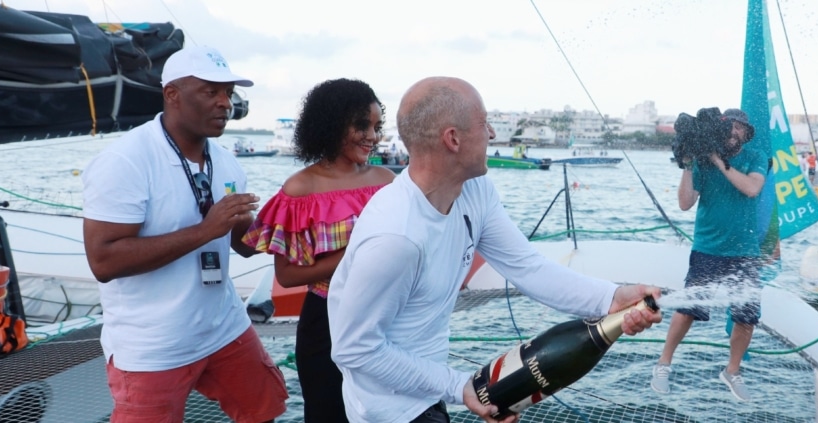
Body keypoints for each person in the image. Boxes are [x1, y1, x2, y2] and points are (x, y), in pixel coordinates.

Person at [325, 77, 662, 423]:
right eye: (484, 124)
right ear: (453, 139)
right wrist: (458, 386)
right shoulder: (396, 237)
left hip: (429, 389)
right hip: (388, 411)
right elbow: (355, 348)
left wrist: (612, 298)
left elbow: (528, 266)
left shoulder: (475, 191)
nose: (492, 135)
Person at [80, 46, 287, 422]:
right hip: (153, 345)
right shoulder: (126, 161)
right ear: (172, 94)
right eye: (211, 92)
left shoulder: (225, 161)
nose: (226, 103)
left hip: (224, 326)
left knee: (264, 411)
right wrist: (207, 230)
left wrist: (288, 226)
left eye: (229, 93)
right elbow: (103, 260)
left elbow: (241, 242)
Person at [241, 78, 395, 422]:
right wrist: (351, 255)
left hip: (386, 315)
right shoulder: (300, 189)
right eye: (361, 125)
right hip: (325, 320)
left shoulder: (388, 181)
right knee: (328, 413)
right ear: (332, 124)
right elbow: (287, 274)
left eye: (376, 126)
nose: (373, 135)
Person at [651, 107, 767, 402]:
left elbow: (752, 188)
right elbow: (685, 203)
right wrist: (689, 163)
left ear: (746, 133)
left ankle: (732, 371)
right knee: (689, 309)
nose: (734, 132)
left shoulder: (755, 156)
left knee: (746, 317)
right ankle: (663, 363)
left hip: (744, 252)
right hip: (708, 248)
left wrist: (719, 160)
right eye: (730, 127)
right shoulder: (702, 160)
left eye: (740, 128)